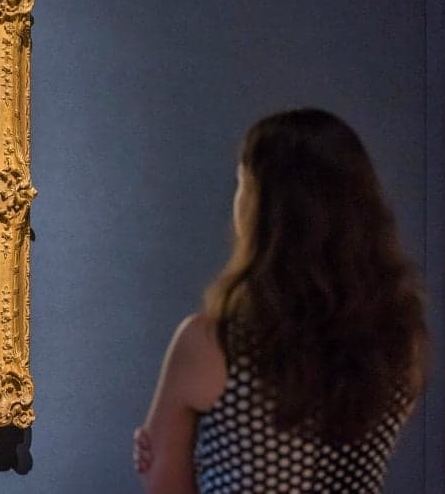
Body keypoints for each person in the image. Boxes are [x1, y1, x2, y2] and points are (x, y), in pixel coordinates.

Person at [133, 109, 428, 493]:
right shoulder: (404, 341)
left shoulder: (213, 344)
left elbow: (163, 484)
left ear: (261, 210)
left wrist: (172, 454)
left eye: (242, 184)